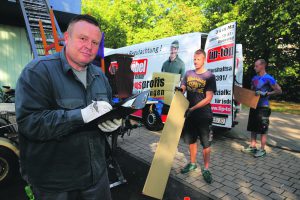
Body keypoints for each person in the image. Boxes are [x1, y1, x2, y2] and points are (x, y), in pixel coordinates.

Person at [15, 14, 122, 200]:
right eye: (83, 38)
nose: (89, 46)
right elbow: (29, 123)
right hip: (55, 184)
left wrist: (115, 120)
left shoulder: (100, 76)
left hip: (96, 176)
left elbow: (108, 107)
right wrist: (81, 115)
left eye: (95, 42)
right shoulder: (37, 72)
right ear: (66, 38)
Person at [178, 49, 216, 184]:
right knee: (192, 141)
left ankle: (206, 169)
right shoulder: (188, 73)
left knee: (206, 144)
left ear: (204, 60)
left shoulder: (209, 76)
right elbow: (183, 86)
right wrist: (180, 90)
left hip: (204, 116)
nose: (195, 61)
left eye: (198, 59)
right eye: (194, 59)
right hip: (190, 116)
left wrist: (192, 108)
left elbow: (209, 98)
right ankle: (193, 163)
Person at [242, 59, 282, 157]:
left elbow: (279, 91)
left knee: (263, 129)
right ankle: (253, 147)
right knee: (253, 127)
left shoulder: (269, 78)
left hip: (263, 107)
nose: (255, 68)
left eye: (256, 66)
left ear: (263, 66)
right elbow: (252, 91)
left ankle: (263, 150)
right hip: (254, 105)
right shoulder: (254, 78)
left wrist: (267, 93)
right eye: (255, 66)